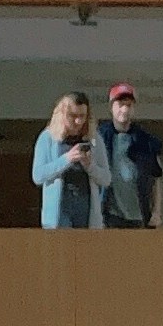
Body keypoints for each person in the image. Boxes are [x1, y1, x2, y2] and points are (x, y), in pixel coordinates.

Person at [30, 92, 108, 229]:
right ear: (62, 115)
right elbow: (38, 176)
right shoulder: (48, 138)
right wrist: (66, 159)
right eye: (73, 116)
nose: (78, 122)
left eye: (82, 116)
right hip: (59, 210)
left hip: (86, 207)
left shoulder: (95, 139)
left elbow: (106, 179)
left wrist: (90, 166)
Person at [102, 82, 163, 227]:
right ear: (111, 107)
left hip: (139, 216)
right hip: (108, 215)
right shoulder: (100, 137)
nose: (124, 109)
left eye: (128, 105)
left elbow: (156, 180)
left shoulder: (145, 141)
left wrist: (156, 212)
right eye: (120, 104)